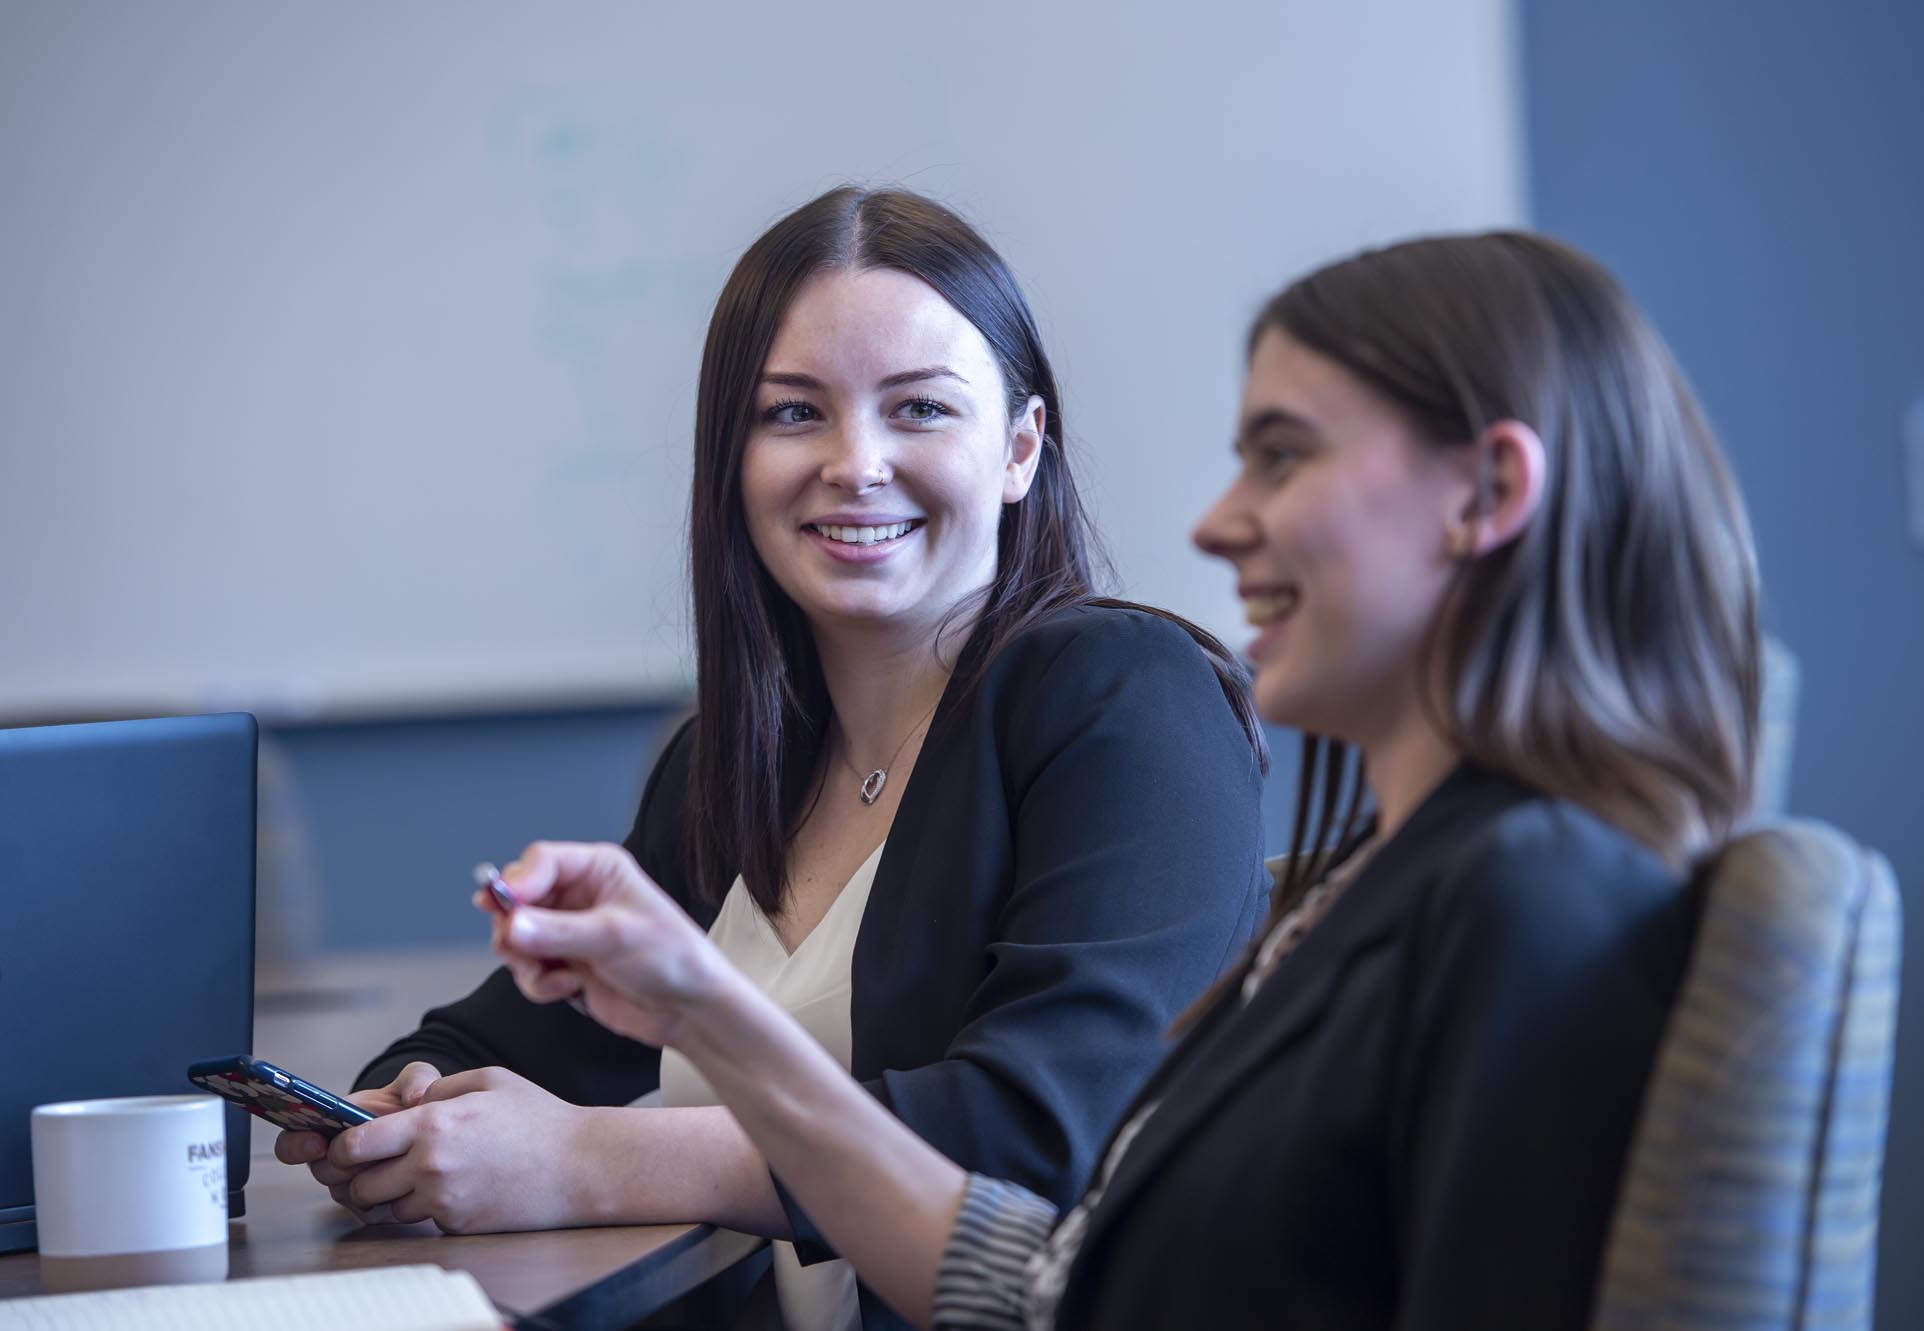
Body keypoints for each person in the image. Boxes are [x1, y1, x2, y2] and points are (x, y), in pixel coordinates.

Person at [476, 230, 1764, 1329]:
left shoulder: (1529, 902)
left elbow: (1052, 1216)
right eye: (792, 409)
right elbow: (1039, 1288)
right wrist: (699, 998)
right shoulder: (1403, 887)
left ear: (1484, 489)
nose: (1214, 521)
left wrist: (618, 1128)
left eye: (1281, 454)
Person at [271, 188, 1269, 1331]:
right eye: (793, 414)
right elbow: (486, 1039)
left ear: (1019, 447)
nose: (855, 463)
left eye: (919, 410)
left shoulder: (1125, 698)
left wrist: (592, 1159)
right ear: (730, 459)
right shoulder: (726, 759)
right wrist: (409, 1113)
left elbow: (1039, 1139)